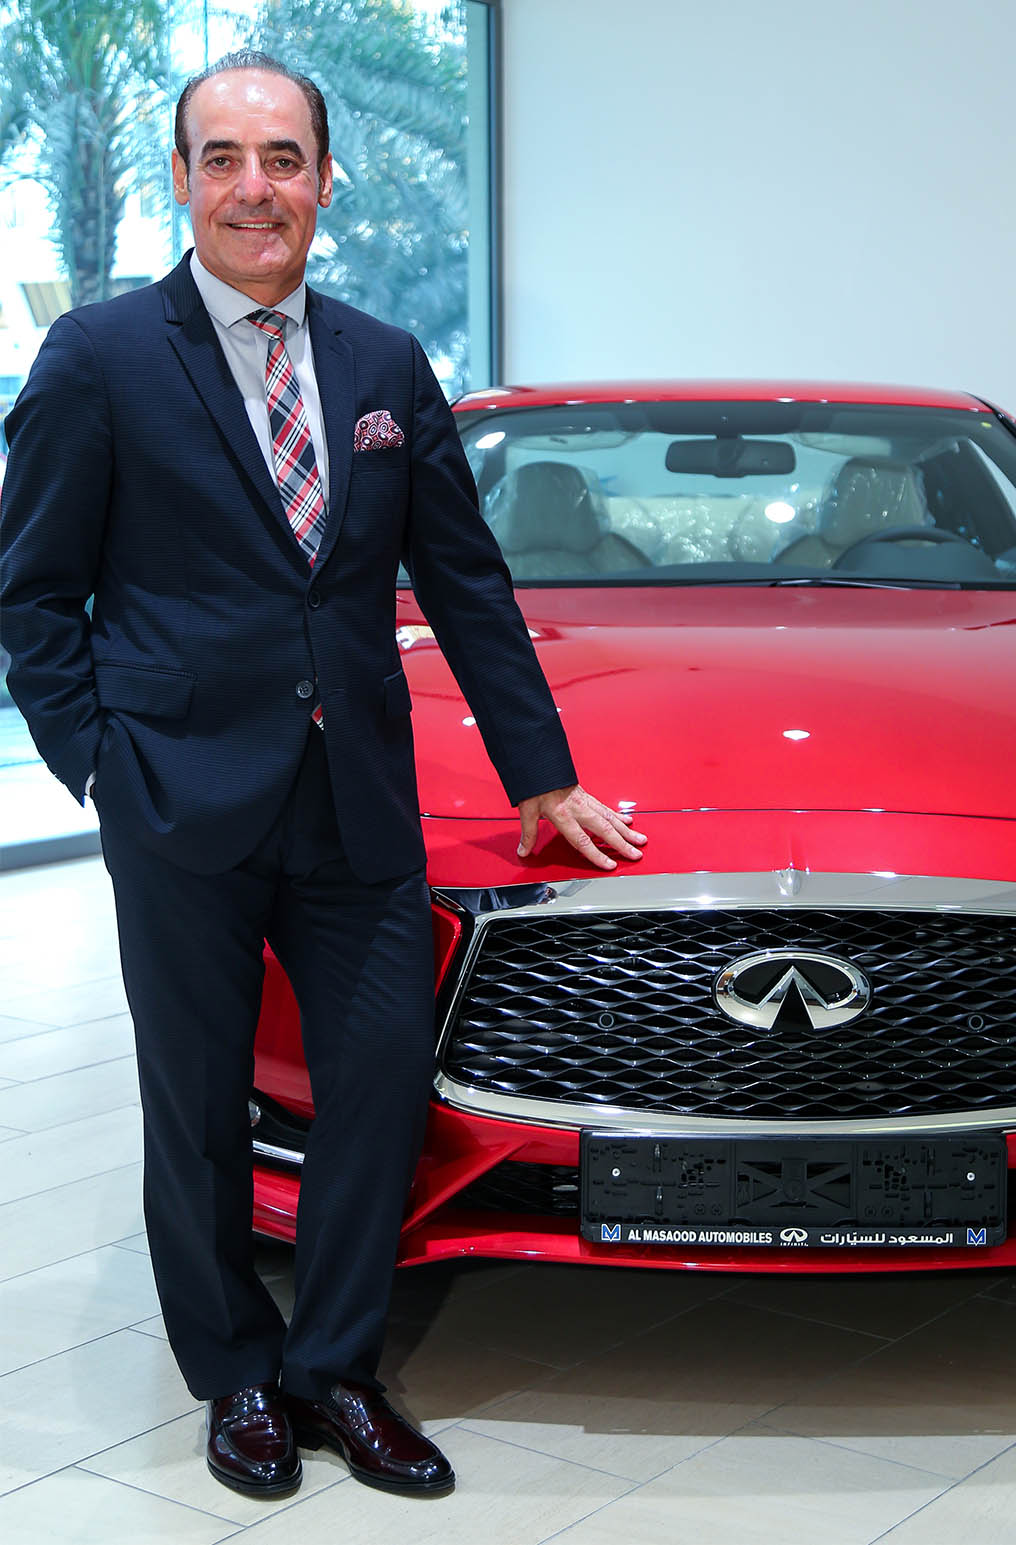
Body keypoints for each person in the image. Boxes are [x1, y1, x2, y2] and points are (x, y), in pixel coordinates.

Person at [0, 50, 646, 1502]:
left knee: (377, 1087)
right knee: (198, 1106)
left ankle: (338, 1367)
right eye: (225, 159)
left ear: (325, 181)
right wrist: (99, 763)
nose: (256, 188)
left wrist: (541, 773)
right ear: (182, 179)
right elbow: (31, 592)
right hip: (179, 798)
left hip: (358, 798)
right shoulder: (100, 357)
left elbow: (465, 582)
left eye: (283, 158)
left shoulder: (382, 364)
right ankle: (234, 1372)